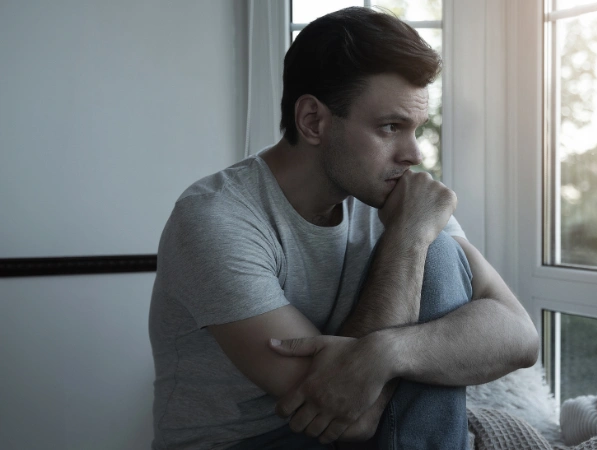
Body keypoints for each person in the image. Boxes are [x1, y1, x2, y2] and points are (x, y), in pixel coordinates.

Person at [148, 6, 538, 449]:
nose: (414, 154)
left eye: (416, 129)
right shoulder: (216, 218)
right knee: (427, 247)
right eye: (390, 127)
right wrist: (407, 238)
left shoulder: (393, 193)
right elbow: (349, 416)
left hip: (367, 434)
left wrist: (389, 352)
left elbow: (521, 337)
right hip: (251, 441)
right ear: (313, 120)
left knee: (440, 254)